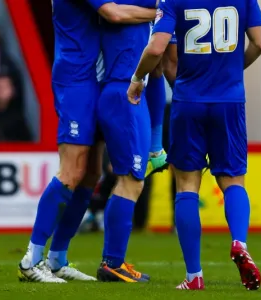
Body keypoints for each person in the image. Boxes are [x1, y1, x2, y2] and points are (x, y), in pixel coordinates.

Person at [128, 0, 261, 291]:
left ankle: (194, 276)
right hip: (229, 101)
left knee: (187, 186)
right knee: (233, 182)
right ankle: (239, 243)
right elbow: (260, 43)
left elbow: (156, 49)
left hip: (188, 100)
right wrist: (232, 70)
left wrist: (138, 78)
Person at [18, 0, 157, 283]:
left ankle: (57, 258)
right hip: (76, 79)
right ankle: (31, 259)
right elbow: (113, 13)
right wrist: (163, 12)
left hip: (95, 79)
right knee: (71, 170)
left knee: (90, 173)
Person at [96, 0, 160, 283]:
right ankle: (112, 263)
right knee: (131, 180)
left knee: (134, 179)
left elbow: (157, 70)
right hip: (124, 90)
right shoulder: (121, 8)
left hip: (134, 91)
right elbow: (115, 13)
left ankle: (114, 260)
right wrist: (159, 14)